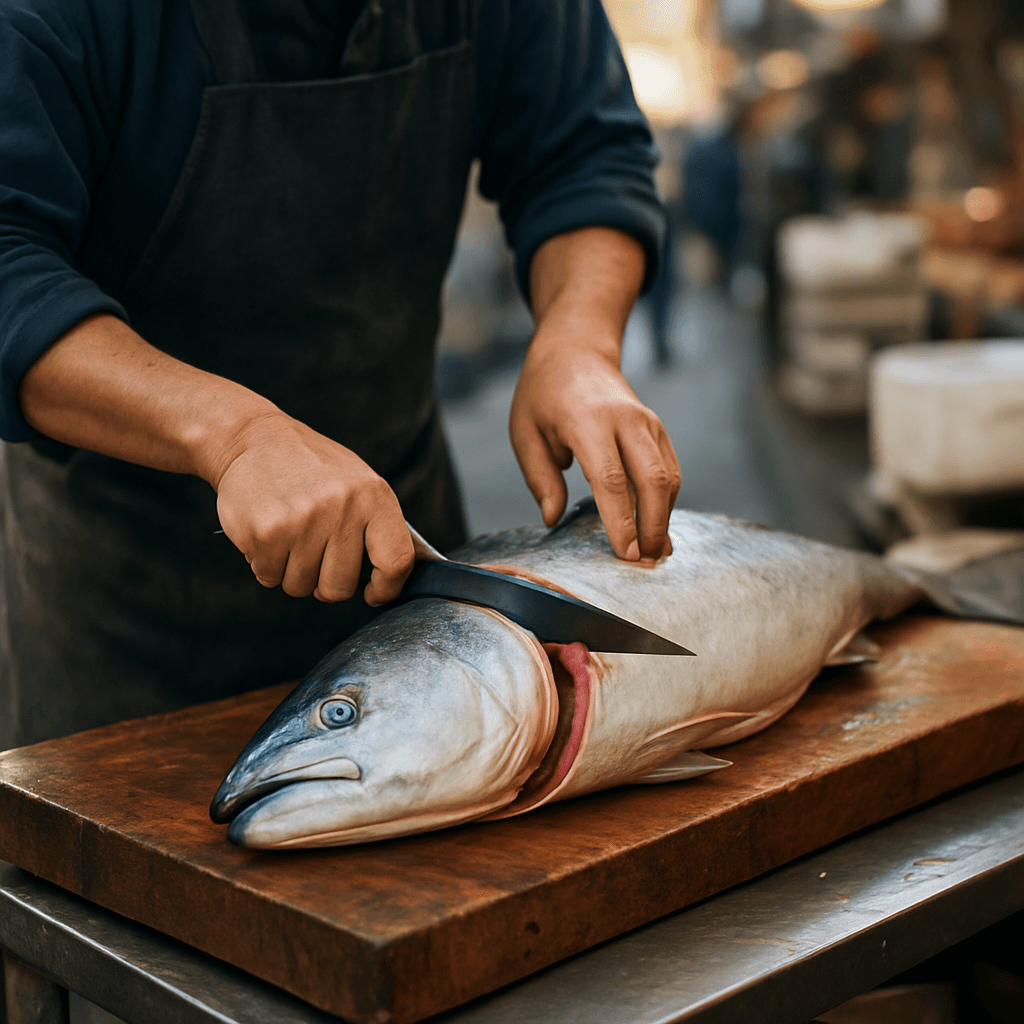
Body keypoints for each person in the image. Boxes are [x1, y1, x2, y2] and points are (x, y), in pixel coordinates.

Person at [0, 0, 681, 750]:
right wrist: (236, 437)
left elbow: (583, 156)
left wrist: (578, 341)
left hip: (408, 561)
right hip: (125, 614)